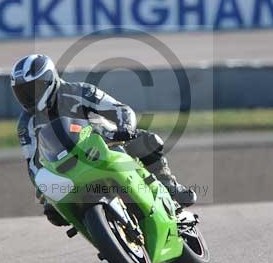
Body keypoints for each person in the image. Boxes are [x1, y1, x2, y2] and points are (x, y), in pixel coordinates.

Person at [10, 54, 197, 226]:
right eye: (22, 92)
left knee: (147, 141)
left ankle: (169, 187)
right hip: (66, 168)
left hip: (107, 143)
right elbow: (33, 164)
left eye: (32, 90)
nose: (27, 97)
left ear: (49, 80)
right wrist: (43, 188)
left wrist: (125, 130)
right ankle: (103, 232)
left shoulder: (79, 91)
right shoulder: (25, 124)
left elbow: (119, 109)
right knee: (54, 213)